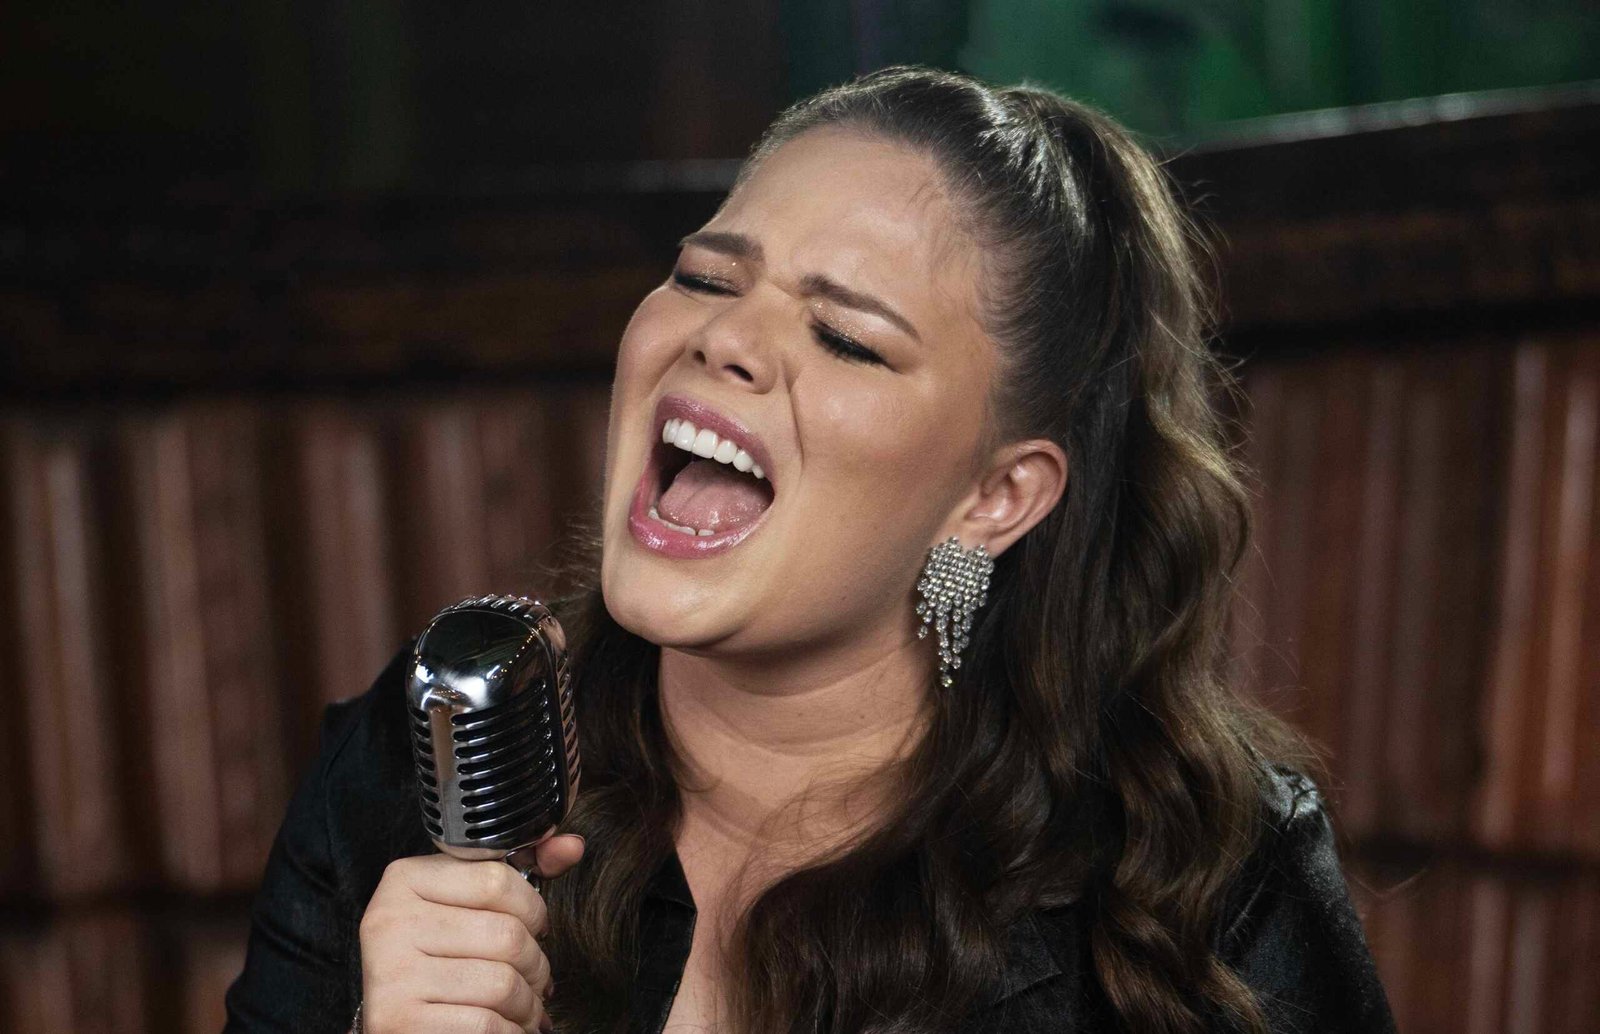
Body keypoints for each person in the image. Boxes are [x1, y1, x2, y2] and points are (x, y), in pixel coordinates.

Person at [224, 65, 1398, 1034]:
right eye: (704, 276)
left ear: (995, 495)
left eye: (844, 336)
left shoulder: (1206, 875)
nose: (726, 337)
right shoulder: (407, 761)